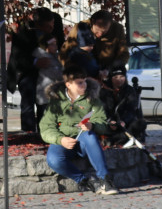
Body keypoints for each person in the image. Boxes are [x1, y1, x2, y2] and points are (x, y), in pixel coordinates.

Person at [39, 63, 118, 195]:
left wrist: (92, 125)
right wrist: (60, 139)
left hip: (85, 142)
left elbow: (103, 124)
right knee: (53, 159)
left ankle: (105, 180)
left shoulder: (93, 99)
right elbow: (46, 128)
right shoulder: (56, 101)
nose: (84, 85)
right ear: (68, 85)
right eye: (79, 83)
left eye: (85, 81)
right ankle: (85, 181)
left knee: (90, 136)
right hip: (64, 141)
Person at [6, 8, 56, 132]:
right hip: (27, 71)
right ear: (38, 24)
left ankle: (44, 131)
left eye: (52, 25)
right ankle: (28, 132)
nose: (51, 28)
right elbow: (18, 55)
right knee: (28, 103)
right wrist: (35, 62)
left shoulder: (54, 30)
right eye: (47, 26)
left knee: (44, 103)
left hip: (46, 74)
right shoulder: (23, 30)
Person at [59, 9, 129, 79]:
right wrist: (74, 71)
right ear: (92, 22)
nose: (100, 34)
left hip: (110, 72)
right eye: (98, 31)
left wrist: (110, 69)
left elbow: (124, 54)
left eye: (104, 32)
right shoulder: (81, 28)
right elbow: (65, 52)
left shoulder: (117, 29)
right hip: (83, 73)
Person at [99, 66, 146, 147]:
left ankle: (114, 140)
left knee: (140, 124)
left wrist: (123, 121)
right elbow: (103, 109)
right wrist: (110, 121)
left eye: (122, 77)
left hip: (124, 123)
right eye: (115, 77)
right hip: (109, 122)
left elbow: (131, 110)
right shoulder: (104, 91)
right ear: (111, 78)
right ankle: (120, 139)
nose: (119, 80)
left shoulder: (129, 90)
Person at [33, 33, 64, 118]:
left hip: (54, 94)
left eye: (56, 44)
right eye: (52, 44)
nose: (56, 47)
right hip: (45, 94)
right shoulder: (44, 58)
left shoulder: (54, 57)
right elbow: (56, 74)